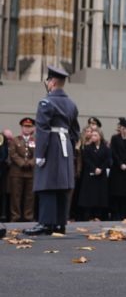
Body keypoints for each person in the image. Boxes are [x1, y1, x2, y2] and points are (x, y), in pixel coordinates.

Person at [24, 66, 80, 236]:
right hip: (65, 147)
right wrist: (68, 145)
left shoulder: (46, 102)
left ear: (53, 82)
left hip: (51, 145)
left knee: (47, 184)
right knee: (62, 186)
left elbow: (42, 130)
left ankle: (46, 223)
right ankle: (59, 224)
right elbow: (75, 131)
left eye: (48, 81)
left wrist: (40, 154)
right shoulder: (71, 104)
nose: (47, 84)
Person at [77, 128, 111, 220]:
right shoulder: (87, 148)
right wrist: (94, 168)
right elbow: (86, 160)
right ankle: (88, 216)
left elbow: (107, 160)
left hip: (101, 174)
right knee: (90, 196)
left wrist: (101, 168)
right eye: (92, 135)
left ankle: (98, 215)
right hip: (90, 174)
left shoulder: (105, 148)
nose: (93, 137)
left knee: (100, 196)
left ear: (100, 137)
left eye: (95, 135)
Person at [8, 117, 36, 222]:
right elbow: (13, 154)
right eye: (25, 126)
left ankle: (28, 216)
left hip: (30, 172)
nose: (27, 129)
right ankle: (15, 216)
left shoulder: (35, 140)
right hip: (17, 172)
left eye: (29, 127)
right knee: (16, 196)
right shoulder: (15, 140)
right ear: (22, 127)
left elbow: (37, 154)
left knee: (30, 196)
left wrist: (30, 163)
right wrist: (22, 163)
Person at [109, 117, 126, 220]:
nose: (124, 130)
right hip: (117, 169)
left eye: (125, 128)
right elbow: (114, 152)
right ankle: (116, 214)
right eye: (122, 128)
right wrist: (120, 163)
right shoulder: (115, 138)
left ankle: (125, 214)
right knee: (116, 192)